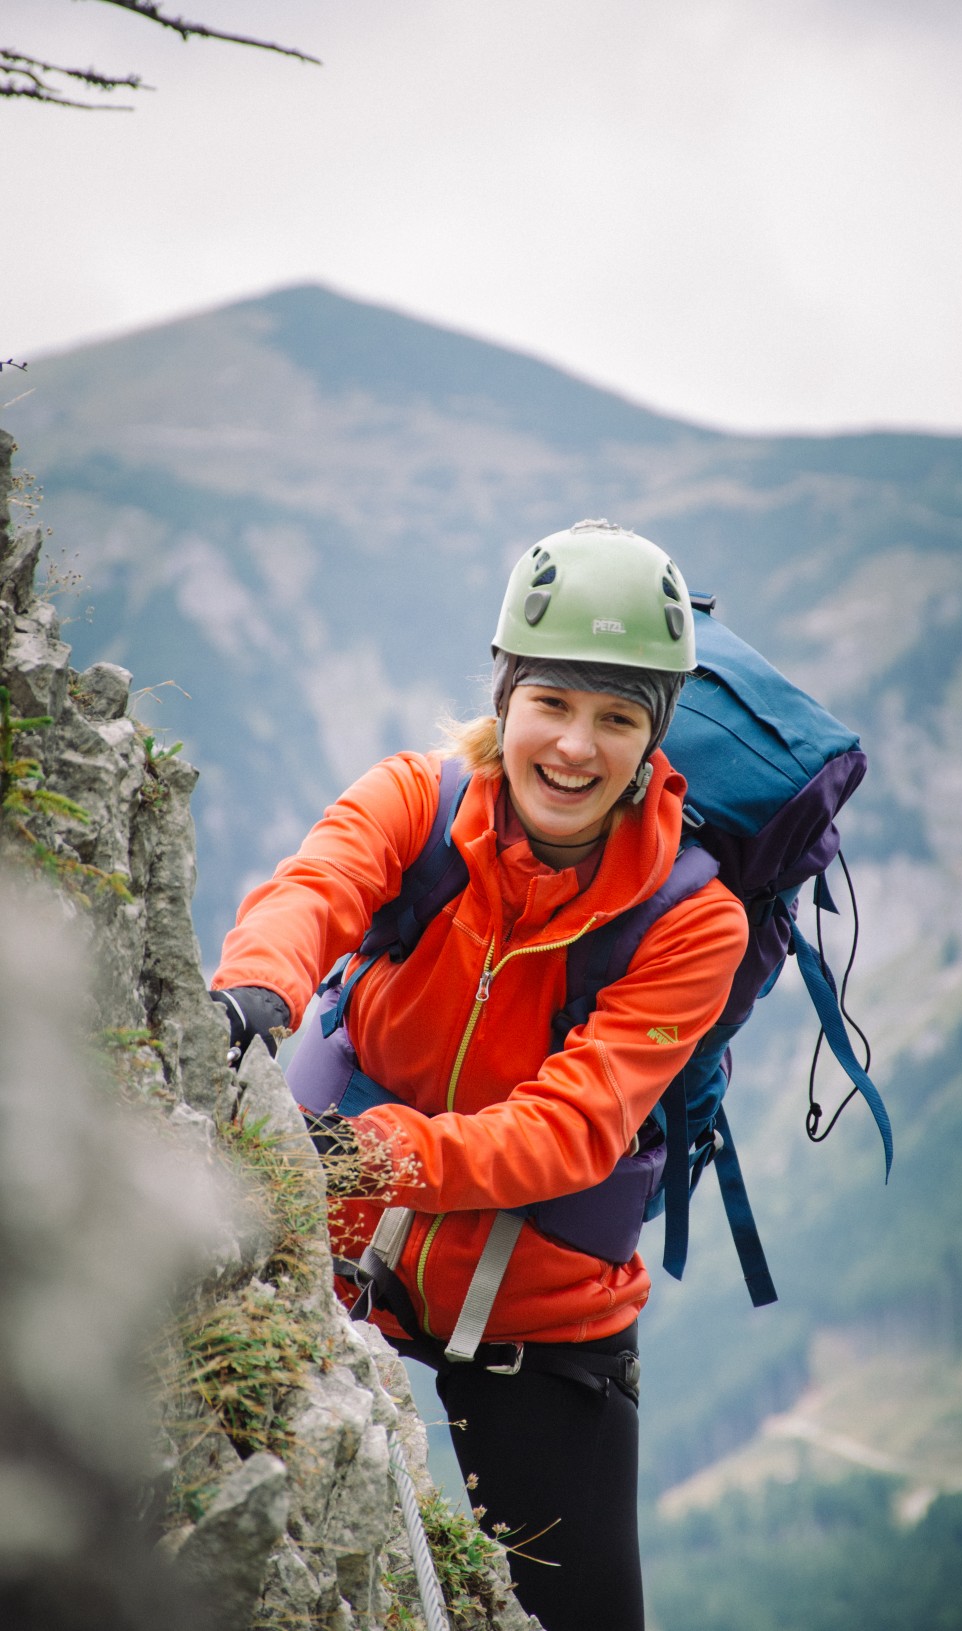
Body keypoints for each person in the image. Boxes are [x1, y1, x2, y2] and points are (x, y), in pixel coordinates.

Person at [211, 519, 748, 1631]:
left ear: (654, 742)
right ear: (504, 700)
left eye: (616, 718)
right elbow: (314, 888)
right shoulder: (417, 801)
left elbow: (568, 1131)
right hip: (335, 1236)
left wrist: (364, 1150)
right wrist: (256, 990)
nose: (573, 747)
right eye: (551, 703)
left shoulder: (692, 920)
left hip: (536, 1313)